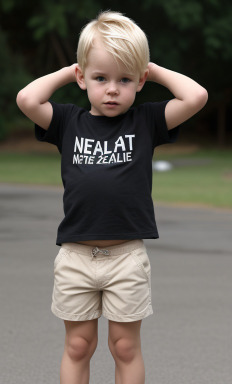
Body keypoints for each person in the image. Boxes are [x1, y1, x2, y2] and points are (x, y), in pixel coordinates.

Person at [16, 10, 208, 384]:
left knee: (124, 347)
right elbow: (27, 99)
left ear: (140, 81)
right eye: (100, 78)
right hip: (75, 257)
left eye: (125, 79)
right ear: (82, 78)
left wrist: (149, 66)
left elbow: (196, 95)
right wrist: (75, 65)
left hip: (126, 258)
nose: (112, 89)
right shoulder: (68, 122)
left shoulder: (146, 121)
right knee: (78, 346)